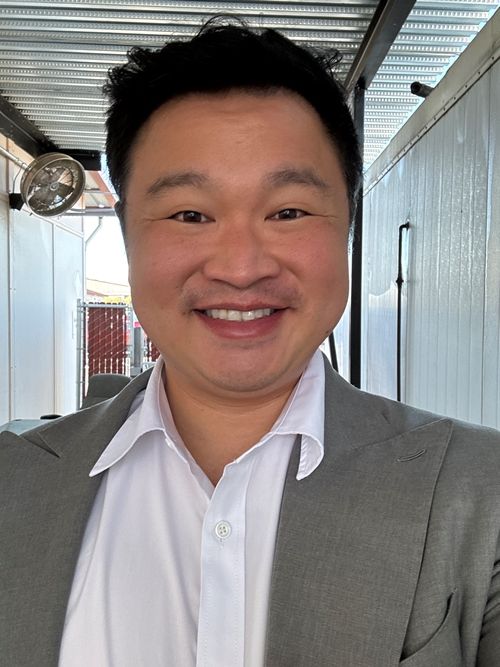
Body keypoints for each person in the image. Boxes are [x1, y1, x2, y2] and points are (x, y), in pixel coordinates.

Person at [1, 18, 499, 667]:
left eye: (288, 211)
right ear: (127, 235)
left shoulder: (479, 494)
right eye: (190, 214)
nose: (240, 268)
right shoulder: (13, 483)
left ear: (348, 225)